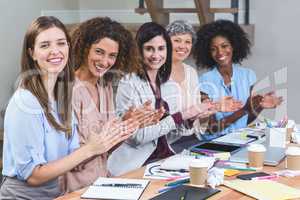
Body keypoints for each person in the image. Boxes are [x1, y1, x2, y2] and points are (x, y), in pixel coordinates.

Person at [0, 16, 138, 199]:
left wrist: (117, 133)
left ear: (69, 47)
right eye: (45, 45)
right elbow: (33, 175)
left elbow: (72, 154)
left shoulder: (61, 98)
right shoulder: (25, 102)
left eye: (61, 43)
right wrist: (91, 148)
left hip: (57, 194)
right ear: (32, 53)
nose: (55, 51)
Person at [62, 17, 163, 192]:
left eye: (112, 56)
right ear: (84, 48)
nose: (105, 61)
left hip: (101, 180)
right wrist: (113, 134)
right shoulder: (69, 91)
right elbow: (72, 160)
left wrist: (130, 124)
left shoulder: (105, 87)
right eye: (99, 52)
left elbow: (105, 151)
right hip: (75, 189)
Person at [107, 22, 217, 176]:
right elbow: (137, 138)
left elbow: (170, 133)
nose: (156, 55)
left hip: (163, 160)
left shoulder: (167, 82)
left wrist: (192, 118)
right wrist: (181, 115)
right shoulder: (129, 83)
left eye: (161, 48)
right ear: (139, 50)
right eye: (149, 49)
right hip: (134, 165)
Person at [194, 19, 283, 140]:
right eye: (213, 49)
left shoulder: (248, 75)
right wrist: (244, 110)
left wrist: (260, 106)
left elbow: (246, 120)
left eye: (224, 46)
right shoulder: (203, 82)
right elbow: (211, 128)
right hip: (214, 144)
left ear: (233, 46)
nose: (220, 52)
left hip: (239, 139)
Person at [165, 20, 242, 148]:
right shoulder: (158, 74)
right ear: (166, 43)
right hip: (167, 144)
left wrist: (214, 107)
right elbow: (165, 120)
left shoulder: (191, 72)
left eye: (187, 42)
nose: (183, 46)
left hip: (193, 139)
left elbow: (196, 117)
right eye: (177, 40)